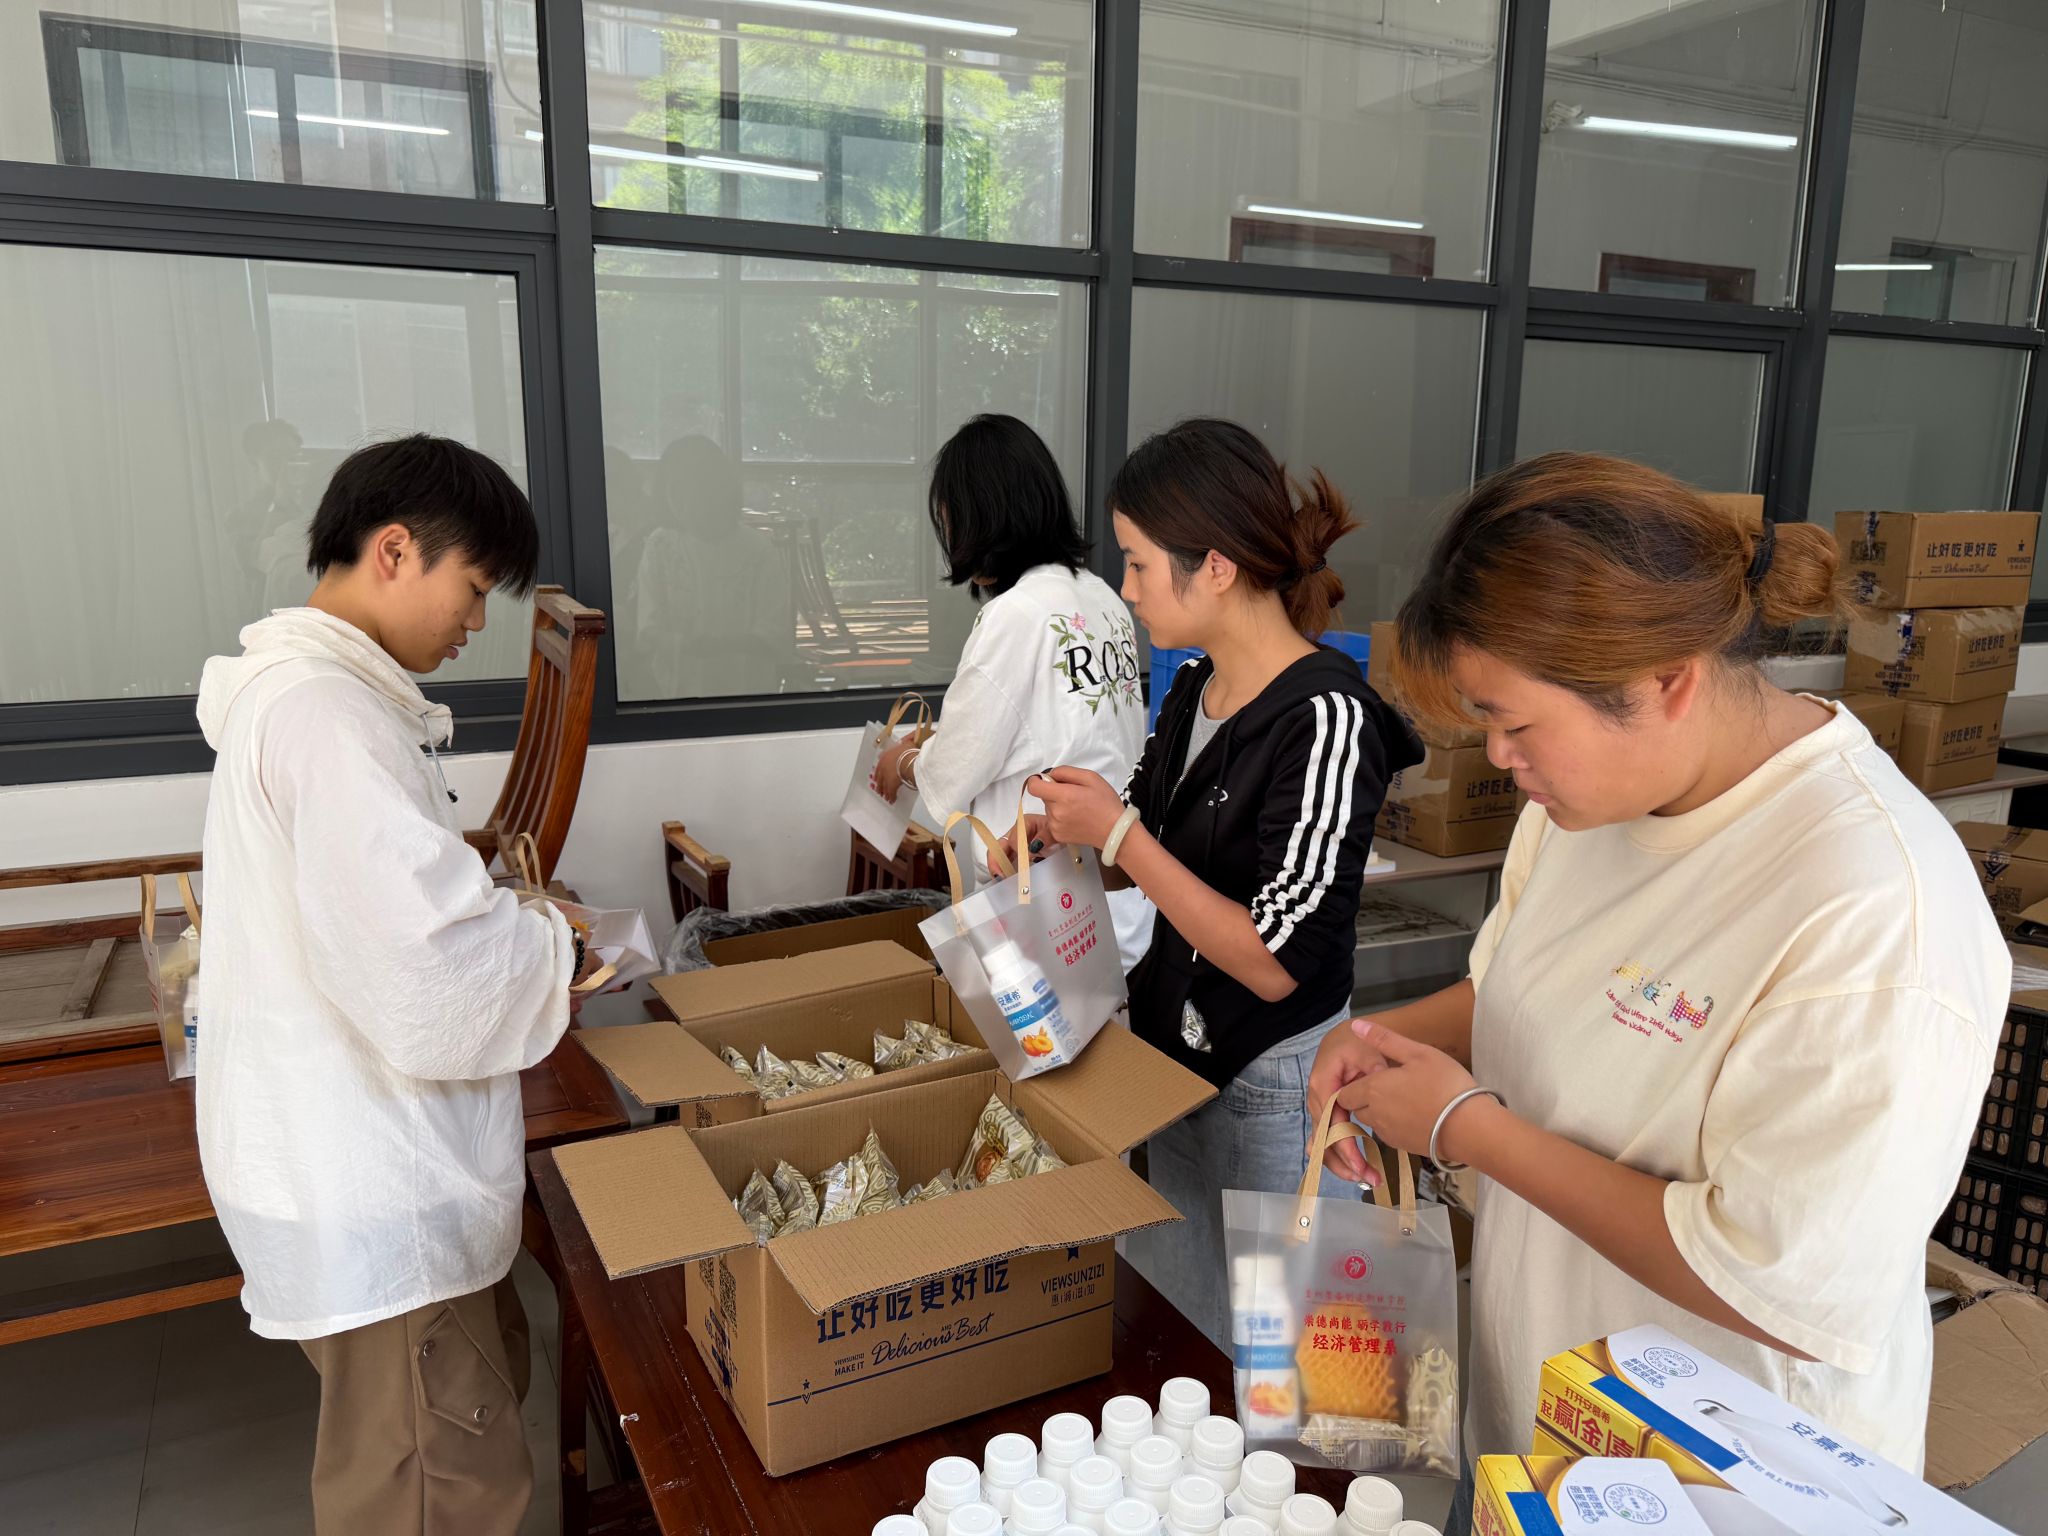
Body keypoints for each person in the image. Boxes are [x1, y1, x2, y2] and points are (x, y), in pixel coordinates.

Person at [1307, 453, 2004, 1522]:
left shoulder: (1872, 907)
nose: (1499, 758)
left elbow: (1766, 1278)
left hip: (1729, 1478)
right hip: (1546, 1420)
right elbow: (1515, 995)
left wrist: (1463, 1127)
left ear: (1666, 680)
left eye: (1515, 724)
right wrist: (1378, 1039)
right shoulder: (1579, 809)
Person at [196, 434, 592, 1535]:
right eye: (474, 588)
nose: (476, 623)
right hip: (372, 1184)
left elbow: (391, 908)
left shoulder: (312, 695)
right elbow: (424, 972)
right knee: (435, 1488)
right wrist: (556, 949)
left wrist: (512, 925)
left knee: (442, 1447)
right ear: (395, 550)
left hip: (346, 1161)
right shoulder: (327, 718)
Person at [1007, 417, 1422, 1346]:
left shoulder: (1328, 719)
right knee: (1179, 1330)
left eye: (1139, 564)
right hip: (1172, 1052)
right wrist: (1068, 841)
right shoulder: (1195, 684)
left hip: (1271, 1075)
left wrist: (1118, 833)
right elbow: (1152, 849)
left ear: (1218, 568)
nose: (1127, 589)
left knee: (1278, 1359)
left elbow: (1275, 960)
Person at [872, 413, 1154, 972]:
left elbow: (953, 774)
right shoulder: (1102, 597)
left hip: (1047, 916)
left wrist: (900, 762)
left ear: (983, 519)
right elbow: (1041, 724)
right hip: (1120, 895)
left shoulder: (1014, 615)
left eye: (953, 521)